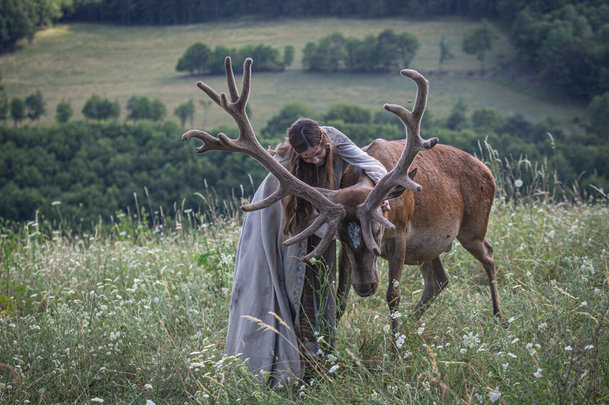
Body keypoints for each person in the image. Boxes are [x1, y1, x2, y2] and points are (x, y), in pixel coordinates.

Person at [224, 118, 388, 387]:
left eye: (318, 153)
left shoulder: (335, 139)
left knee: (320, 290)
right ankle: (281, 364)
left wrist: (375, 200)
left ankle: (317, 364)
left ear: (324, 140)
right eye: (307, 157)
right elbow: (297, 212)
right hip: (284, 221)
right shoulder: (285, 162)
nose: (315, 160)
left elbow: (374, 166)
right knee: (285, 288)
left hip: (320, 222)